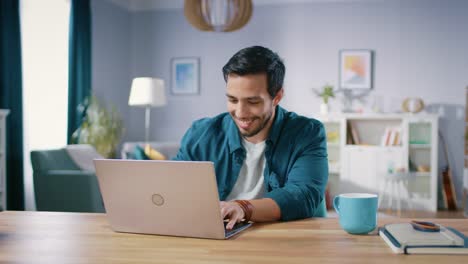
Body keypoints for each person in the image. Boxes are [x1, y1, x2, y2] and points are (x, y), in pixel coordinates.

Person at [174, 46, 328, 229]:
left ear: (277, 96)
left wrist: (242, 207)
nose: (240, 113)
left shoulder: (307, 132)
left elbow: (303, 194)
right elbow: (173, 184)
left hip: (285, 237)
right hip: (218, 241)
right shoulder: (200, 133)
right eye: (232, 100)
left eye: (253, 102)